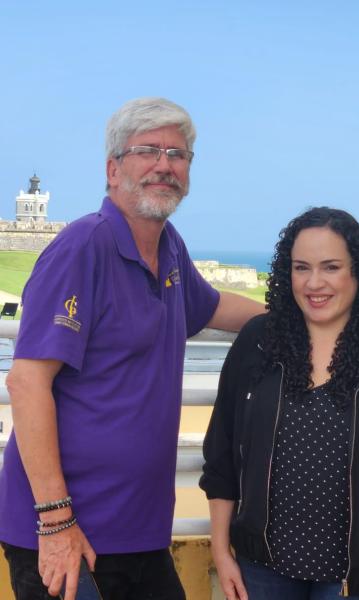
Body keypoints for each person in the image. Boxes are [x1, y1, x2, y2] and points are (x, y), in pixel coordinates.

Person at [0, 97, 264, 600]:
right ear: (113, 167)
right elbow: (27, 380)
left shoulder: (170, 248)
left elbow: (214, 309)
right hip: (67, 534)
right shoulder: (84, 246)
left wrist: (316, 313)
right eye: (147, 150)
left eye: (178, 154)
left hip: (139, 536)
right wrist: (56, 524)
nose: (165, 165)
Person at [200, 207, 359, 600]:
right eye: (301, 268)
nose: (315, 283)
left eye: (331, 267)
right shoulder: (258, 343)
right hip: (262, 570)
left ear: (357, 272)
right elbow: (222, 454)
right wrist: (220, 551)